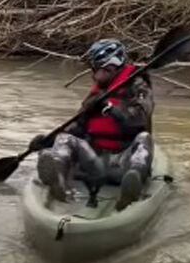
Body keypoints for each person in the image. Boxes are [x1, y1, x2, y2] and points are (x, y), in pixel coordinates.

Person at [30, 39, 154, 211]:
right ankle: (58, 180)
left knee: (144, 138)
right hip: (93, 162)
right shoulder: (97, 93)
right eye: (95, 70)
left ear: (114, 68)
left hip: (123, 161)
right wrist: (48, 141)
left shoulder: (139, 87)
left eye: (102, 70)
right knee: (64, 138)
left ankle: (132, 184)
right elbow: (78, 126)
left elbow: (139, 119)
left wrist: (110, 109)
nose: (96, 75)